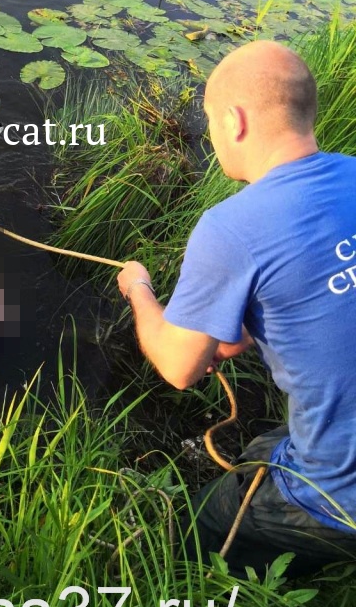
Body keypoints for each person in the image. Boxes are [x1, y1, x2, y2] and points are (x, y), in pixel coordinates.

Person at [116, 40, 356, 577]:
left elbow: (181, 369)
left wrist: (139, 288)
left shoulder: (232, 228)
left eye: (209, 121)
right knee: (258, 447)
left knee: (201, 519)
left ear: (233, 120)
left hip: (344, 502)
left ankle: (193, 587)